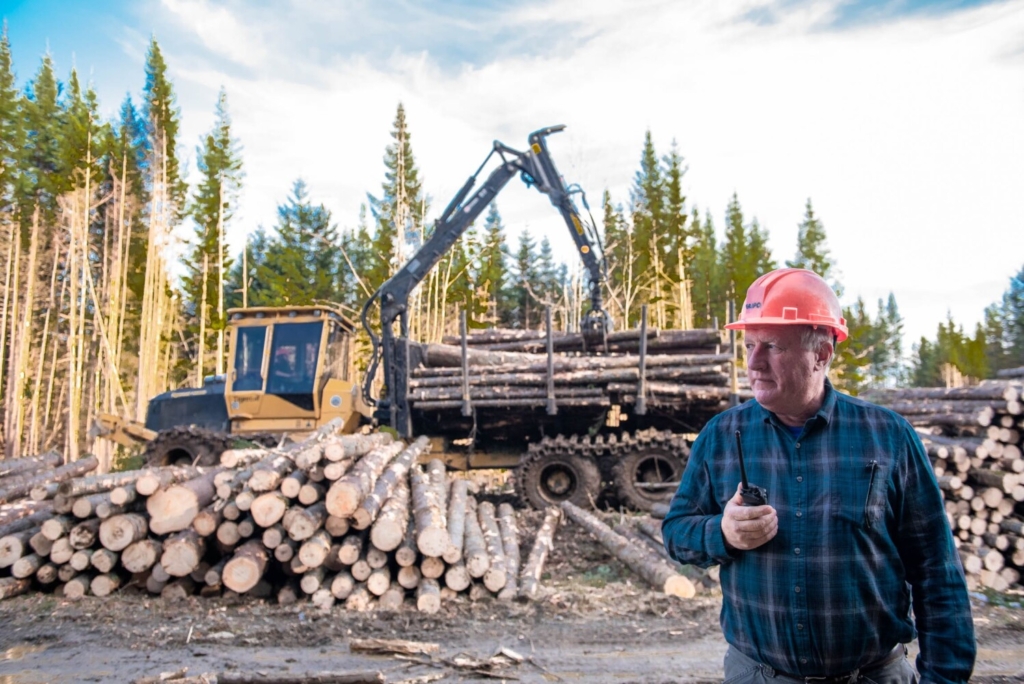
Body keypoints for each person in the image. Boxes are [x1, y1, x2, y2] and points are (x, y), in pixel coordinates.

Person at [661, 268, 975, 684]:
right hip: (759, 676)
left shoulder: (888, 436)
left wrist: (944, 678)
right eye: (750, 345)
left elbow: (936, 569)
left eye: (772, 346)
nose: (753, 363)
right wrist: (722, 533)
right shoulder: (721, 436)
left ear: (822, 354)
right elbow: (676, 533)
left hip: (873, 676)